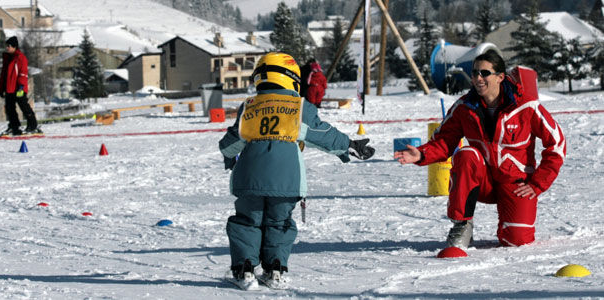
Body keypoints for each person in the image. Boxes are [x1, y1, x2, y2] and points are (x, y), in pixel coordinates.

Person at [219, 52, 375, 289]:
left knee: (247, 222)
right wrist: (350, 145)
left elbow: (230, 144)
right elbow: (323, 134)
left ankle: (245, 270)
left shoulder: (249, 106)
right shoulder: (299, 106)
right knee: (279, 222)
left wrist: (230, 159)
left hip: (249, 179)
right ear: (291, 76)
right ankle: (275, 271)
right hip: (286, 181)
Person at [394, 49, 566, 250]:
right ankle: (462, 224)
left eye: (484, 73)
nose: (478, 78)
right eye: (475, 73)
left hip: (515, 183)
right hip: (482, 180)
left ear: (500, 77)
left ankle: (509, 224)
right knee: (467, 154)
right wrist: (422, 154)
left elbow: (557, 144)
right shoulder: (464, 107)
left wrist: (537, 184)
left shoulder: (526, 106)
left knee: (517, 241)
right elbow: (443, 140)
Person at [0, 36, 40, 135]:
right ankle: (14, 126)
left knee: (24, 106)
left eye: (9, 46)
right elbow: (4, 75)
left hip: (18, 88)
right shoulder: (7, 58)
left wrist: (21, 87)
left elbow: (23, 73)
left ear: (14, 46)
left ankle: (33, 125)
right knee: (9, 108)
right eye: (6, 46)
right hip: (9, 88)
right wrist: (1, 88)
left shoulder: (20, 58)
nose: (7, 48)